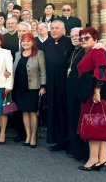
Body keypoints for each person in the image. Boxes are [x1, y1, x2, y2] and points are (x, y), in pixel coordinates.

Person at [66, 27, 106, 162]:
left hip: (93, 94)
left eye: (86, 38)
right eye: (81, 37)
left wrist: (97, 91)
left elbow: (102, 68)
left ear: (95, 39)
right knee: (99, 125)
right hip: (87, 93)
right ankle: (103, 158)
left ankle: (93, 160)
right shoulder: (84, 51)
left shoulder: (97, 49)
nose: (82, 40)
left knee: (94, 126)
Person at [41, 20, 74, 151]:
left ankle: (69, 142)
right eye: (52, 28)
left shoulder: (69, 43)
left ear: (64, 30)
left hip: (65, 85)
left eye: (57, 28)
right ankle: (57, 141)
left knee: (65, 113)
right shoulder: (46, 44)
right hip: (51, 85)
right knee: (53, 112)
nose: (54, 30)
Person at [12, 33, 46, 148]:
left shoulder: (39, 54)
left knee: (32, 113)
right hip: (20, 88)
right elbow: (13, 69)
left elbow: (43, 71)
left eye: (28, 41)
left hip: (33, 88)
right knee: (24, 112)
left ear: (32, 42)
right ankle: (27, 136)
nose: (25, 43)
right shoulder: (17, 54)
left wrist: (43, 86)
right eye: (23, 41)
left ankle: (33, 137)